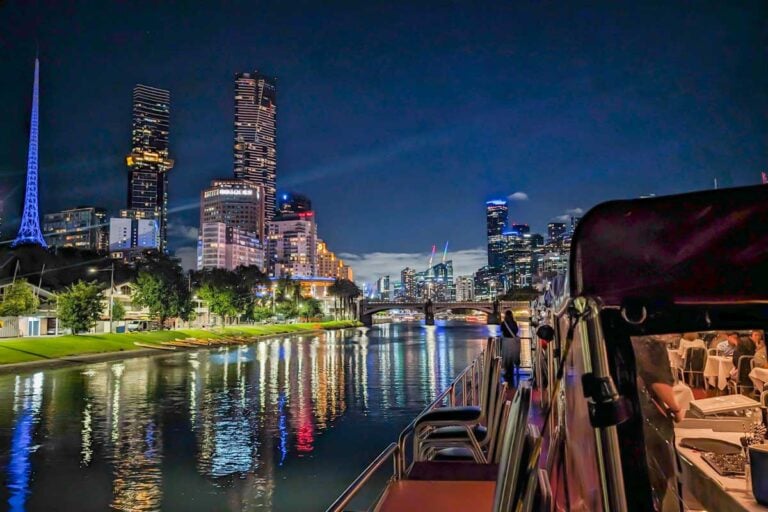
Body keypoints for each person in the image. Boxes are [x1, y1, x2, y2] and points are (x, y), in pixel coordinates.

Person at [631, 335, 683, 512]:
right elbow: (658, 382)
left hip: (632, 415)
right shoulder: (651, 343)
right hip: (651, 422)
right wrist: (677, 409)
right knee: (656, 479)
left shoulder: (632, 338)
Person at [500, 310, 520, 384]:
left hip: (506, 342)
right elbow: (516, 331)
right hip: (513, 342)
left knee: (506, 359)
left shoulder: (503, 323)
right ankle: (512, 374)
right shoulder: (514, 323)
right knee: (512, 358)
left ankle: (507, 374)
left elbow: (501, 331)